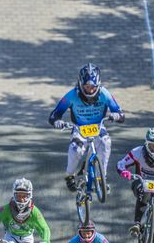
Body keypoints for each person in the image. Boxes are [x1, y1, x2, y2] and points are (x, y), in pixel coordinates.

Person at [48, 63, 124, 192]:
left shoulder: (105, 94)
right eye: (86, 86)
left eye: (93, 87)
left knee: (106, 142)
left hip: (98, 127)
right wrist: (57, 121)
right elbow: (54, 115)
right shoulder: (71, 95)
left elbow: (120, 114)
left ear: (98, 85)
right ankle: (69, 175)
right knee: (75, 149)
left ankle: (102, 178)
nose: (90, 90)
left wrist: (116, 115)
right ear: (80, 84)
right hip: (79, 129)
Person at [0, 178, 51, 243]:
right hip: (10, 238)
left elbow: (44, 228)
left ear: (30, 195)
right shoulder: (6, 209)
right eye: (18, 196)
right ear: (14, 194)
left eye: (24, 196)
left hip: (28, 239)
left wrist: (45, 241)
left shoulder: (34, 211)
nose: (21, 199)